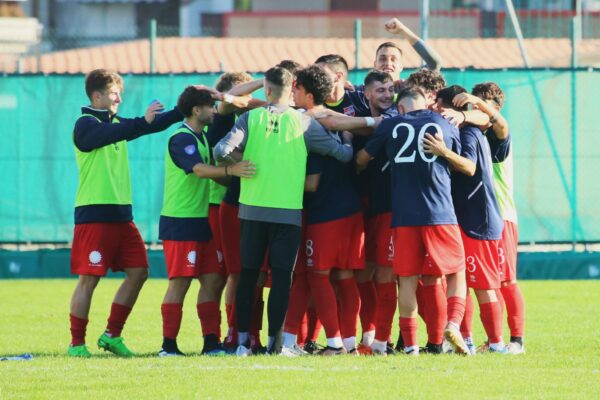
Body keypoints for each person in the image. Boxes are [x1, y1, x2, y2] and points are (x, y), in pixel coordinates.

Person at [213, 66, 354, 356]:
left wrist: (239, 165)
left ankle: (241, 343)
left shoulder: (250, 118)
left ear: (266, 91)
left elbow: (220, 150)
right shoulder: (304, 123)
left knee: (248, 276)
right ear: (292, 90)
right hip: (288, 213)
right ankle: (275, 345)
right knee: (281, 279)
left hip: (250, 210)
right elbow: (342, 154)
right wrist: (348, 137)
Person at [68, 69, 183, 357]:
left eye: (119, 91)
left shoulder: (116, 123)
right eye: (113, 92)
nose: (119, 97)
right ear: (97, 96)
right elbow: (120, 130)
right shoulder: (85, 124)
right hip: (93, 214)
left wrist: (182, 110)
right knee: (89, 279)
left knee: (139, 272)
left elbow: (144, 127)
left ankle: (111, 335)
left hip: (122, 216)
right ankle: (76, 344)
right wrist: (139, 123)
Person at [356, 86, 470, 356]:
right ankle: (453, 324)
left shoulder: (391, 125)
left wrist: (362, 163)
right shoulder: (443, 123)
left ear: (402, 107)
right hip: (440, 213)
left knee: (406, 281)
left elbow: (362, 158)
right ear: (425, 103)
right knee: (455, 273)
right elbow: (463, 165)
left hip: (404, 217)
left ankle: (410, 347)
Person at [157, 87, 255, 357]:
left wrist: (239, 176)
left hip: (201, 221)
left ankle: (210, 343)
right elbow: (199, 171)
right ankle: (168, 346)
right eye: (210, 107)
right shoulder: (181, 138)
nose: (214, 111)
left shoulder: (201, 139)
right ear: (196, 110)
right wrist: (230, 169)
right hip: (180, 222)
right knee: (181, 283)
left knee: (212, 281)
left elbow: (217, 176)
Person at [425, 84, 507, 354]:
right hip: (462, 216)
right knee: (461, 278)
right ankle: (467, 338)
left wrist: (444, 153)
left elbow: (470, 168)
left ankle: (497, 343)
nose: (434, 108)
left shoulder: (470, 132)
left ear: (450, 107)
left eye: (438, 104)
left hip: (478, 218)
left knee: (483, 285)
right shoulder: (460, 128)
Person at [453, 82, 526, 354]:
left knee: (506, 280)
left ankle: (517, 341)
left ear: (494, 109)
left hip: (501, 218)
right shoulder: (471, 135)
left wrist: (476, 103)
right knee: (470, 280)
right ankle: (471, 338)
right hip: (475, 217)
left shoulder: (499, 137)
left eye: (482, 104)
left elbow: (501, 123)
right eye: (474, 104)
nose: (476, 109)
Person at [360, 70, 399, 355]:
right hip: (364, 208)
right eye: (380, 90)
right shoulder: (359, 119)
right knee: (363, 275)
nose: (386, 95)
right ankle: (368, 335)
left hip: (390, 209)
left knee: (387, 275)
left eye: (389, 90)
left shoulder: (400, 121)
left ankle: (384, 341)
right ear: (367, 94)